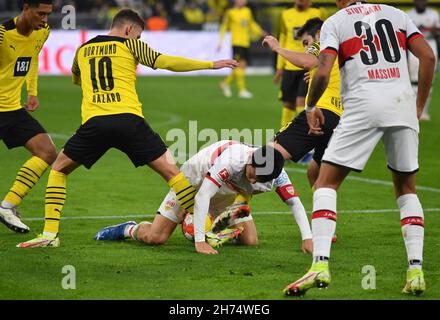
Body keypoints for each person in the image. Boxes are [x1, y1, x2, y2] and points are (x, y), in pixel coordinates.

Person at [17, 9, 238, 250]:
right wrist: (210, 64)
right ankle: (201, 233)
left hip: (95, 123)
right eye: (138, 35)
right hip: (129, 121)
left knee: (59, 168)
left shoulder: (83, 49)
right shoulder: (131, 46)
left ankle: (49, 235)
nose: (138, 40)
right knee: (173, 174)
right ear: (128, 30)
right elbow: (166, 61)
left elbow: (76, 78)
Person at [284, 0, 435, 296]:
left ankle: (320, 265)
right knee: (407, 190)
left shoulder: (336, 21)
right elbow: (428, 57)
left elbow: (324, 72)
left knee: (325, 182)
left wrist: (311, 104)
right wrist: (418, 105)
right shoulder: (397, 14)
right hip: (401, 106)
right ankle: (416, 270)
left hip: (364, 106)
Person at [95, 141, 313, 255]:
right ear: (250, 160)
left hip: (228, 193)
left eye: (260, 179)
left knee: (250, 241)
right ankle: (128, 229)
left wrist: (307, 237)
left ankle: (211, 225)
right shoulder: (231, 161)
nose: (254, 180)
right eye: (253, 173)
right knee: (156, 237)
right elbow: (202, 196)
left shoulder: (276, 172)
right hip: (194, 181)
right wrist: (200, 243)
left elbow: (294, 202)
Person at [0, 0, 57, 234]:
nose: (44, 19)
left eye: (47, 14)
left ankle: (7, 206)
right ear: (25, 9)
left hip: (11, 108)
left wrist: (32, 92)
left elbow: (32, 58)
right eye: (40, 13)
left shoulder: (42, 32)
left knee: (48, 152)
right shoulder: (3, 34)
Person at [276, 0, 323, 128]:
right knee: (287, 104)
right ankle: (282, 132)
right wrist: (279, 66)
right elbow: (283, 36)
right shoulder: (285, 13)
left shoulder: (318, 12)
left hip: (308, 64)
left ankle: (305, 131)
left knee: (301, 101)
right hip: (289, 65)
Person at [218, 0, 266, 99]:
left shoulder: (247, 11)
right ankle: (241, 90)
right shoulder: (230, 13)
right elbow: (224, 27)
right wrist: (220, 41)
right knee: (239, 65)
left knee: (241, 66)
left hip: (245, 42)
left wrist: (260, 32)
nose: (243, 1)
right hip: (236, 43)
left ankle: (225, 83)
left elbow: (251, 24)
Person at [407, 0, 440, 121]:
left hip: (430, 43)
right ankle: (413, 110)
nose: (421, 3)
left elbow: (438, 31)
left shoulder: (434, 14)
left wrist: (429, 29)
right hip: (413, 46)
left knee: (428, 80)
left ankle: (424, 112)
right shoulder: (408, 14)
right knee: (414, 80)